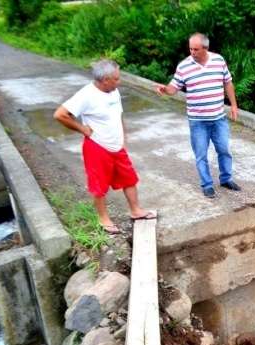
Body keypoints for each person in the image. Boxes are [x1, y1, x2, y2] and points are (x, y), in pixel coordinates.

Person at [54, 59, 156, 234]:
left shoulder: (113, 91)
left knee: (129, 178)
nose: (119, 81)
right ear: (105, 80)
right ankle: (103, 219)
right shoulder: (86, 95)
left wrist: (123, 138)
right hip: (97, 147)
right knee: (99, 184)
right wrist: (82, 129)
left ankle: (135, 210)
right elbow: (60, 115)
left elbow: (119, 115)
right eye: (116, 79)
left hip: (117, 146)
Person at [156, 32, 240, 198]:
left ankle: (226, 179)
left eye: (196, 49)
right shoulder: (184, 66)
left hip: (218, 118)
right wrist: (166, 90)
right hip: (197, 121)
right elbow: (174, 88)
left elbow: (227, 82)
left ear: (205, 48)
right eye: (190, 49)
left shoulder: (218, 60)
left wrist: (234, 105)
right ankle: (207, 185)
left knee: (224, 150)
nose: (192, 52)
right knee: (201, 155)